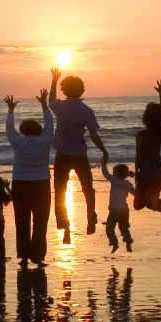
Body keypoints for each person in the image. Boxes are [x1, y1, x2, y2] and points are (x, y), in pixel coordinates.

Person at [48, 68, 108, 242]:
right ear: (82, 91)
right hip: (80, 154)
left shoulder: (60, 106)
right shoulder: (86, 111)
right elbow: (93, 134)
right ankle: (91, 214)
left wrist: (53, 81)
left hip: (62, 155)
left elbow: (50, 100)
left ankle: (65, 226)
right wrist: (103, 150)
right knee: (87, 188)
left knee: (60, 191)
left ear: (64, 90)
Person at [5, 89, 53, 269]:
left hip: (21, 184)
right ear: (38, 130)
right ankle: (38, 257)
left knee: (22, 221)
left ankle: (24, 257)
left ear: (23, 130)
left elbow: (9, 130)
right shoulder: (45, 140)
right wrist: (44, 105)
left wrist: (11, 110)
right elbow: (50, 125)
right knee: (40, 222)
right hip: (41, 183)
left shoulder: (18, 142)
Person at [134, 80, 161, 228]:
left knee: (138, 205)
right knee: (150, 201)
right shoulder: (159, 133)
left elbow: (138, 156)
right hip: (159, 172)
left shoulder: (141, 135)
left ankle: (157, 203)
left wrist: (137, 172)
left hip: (146, 171)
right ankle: (157, 202)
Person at [100, 151, 135, 253]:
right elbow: (136, 194)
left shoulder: (114, 180)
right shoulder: (128, 184)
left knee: (109, 228)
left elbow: (105, 174)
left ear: (116, 174)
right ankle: (128, 242)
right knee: (124, 228)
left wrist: (103, 164)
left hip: (115, 210)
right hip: (124, 210)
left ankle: (114, 243)